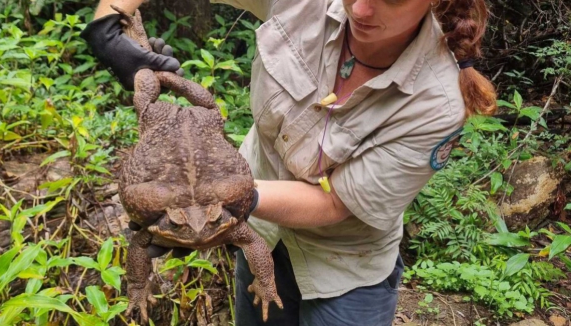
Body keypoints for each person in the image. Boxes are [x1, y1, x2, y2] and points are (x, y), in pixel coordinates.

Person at [81, 0, 497, 325]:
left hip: (342, 266)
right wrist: (108, 28)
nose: (362, 10)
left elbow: (337, 204)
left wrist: (217, 200)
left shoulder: (437, 102)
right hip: (257, 232)